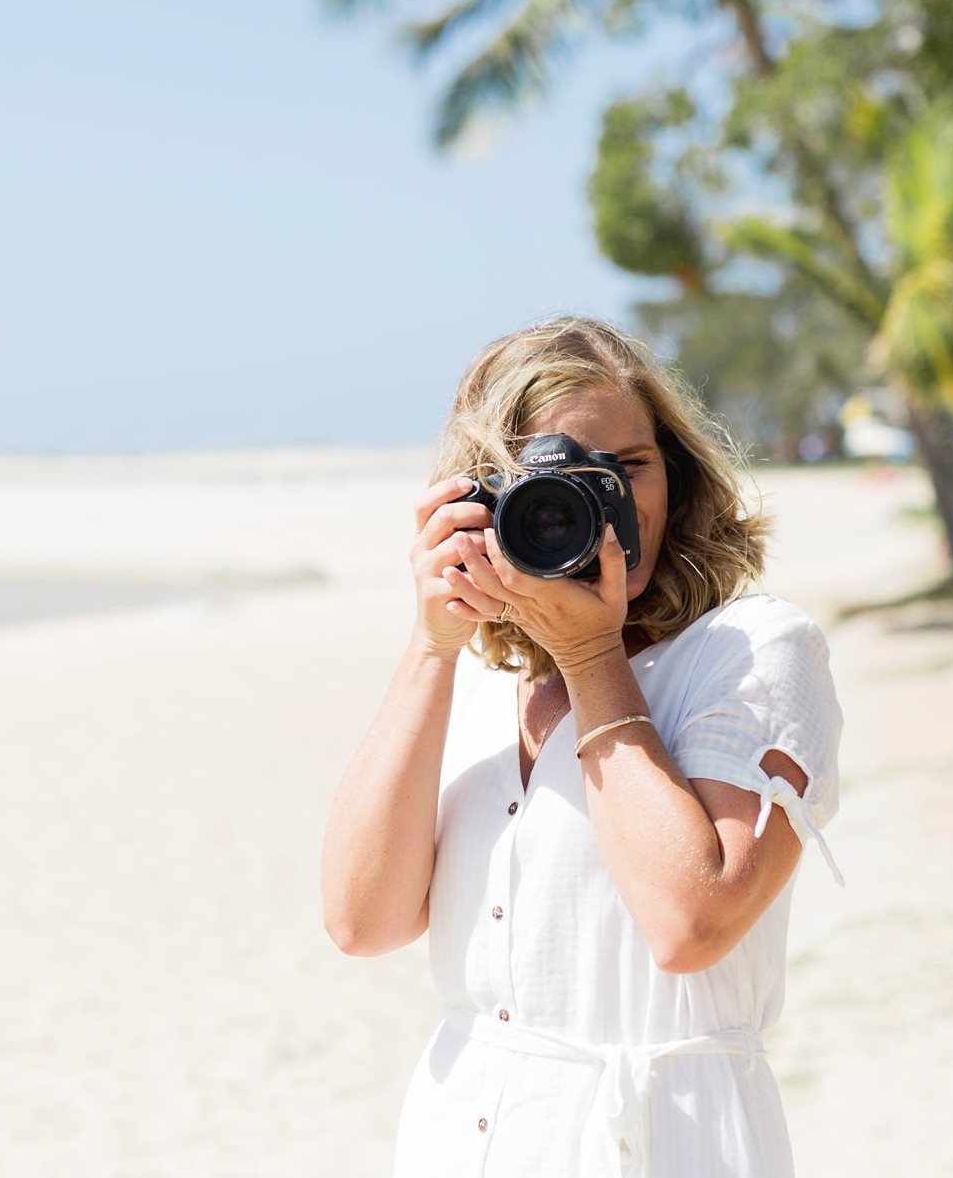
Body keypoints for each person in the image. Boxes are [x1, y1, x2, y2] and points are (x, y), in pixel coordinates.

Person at [321, 315, 845, 1178]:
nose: (604, 503)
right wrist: (431, 645)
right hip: (461, 1137)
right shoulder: (480, 683)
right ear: (482, 498)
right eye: (551, 484)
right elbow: (361, 920)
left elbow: (692, 921)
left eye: (628, 467)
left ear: (675, 474)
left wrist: (591, 655)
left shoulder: (754, 650)